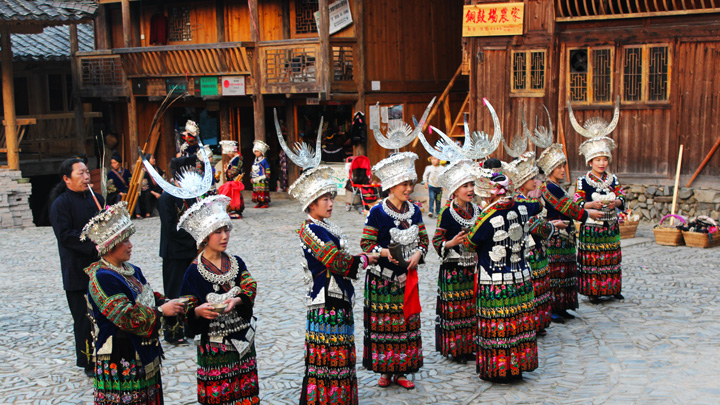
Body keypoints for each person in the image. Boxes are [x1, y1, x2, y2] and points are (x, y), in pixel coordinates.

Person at [82, 201, 186, 402]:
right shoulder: (103, 277)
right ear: (110, 244)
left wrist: (174, 304)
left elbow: (147, 295)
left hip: (143, 353)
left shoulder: (131, 270)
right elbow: (126, 316)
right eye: (125, 241)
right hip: (121, 359)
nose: (130, 245)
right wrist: (162, 311)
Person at [179, 195, 260, 404]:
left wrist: (238, 300)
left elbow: (250, 285)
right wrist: (197, 312)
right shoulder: (193, 272)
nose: (225, 236)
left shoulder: (236, 262)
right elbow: (185, 305)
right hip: (214, 346)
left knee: (246, 393)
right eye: (218, 231)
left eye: (227, 230)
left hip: (242, 341)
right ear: (205, 236)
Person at [464, 165, 540, 382]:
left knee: (499, 325)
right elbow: (538, 205)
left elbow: (470, 243)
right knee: (518, 323)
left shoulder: (488, 217)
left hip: (495, 279)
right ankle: (519, 366)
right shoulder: (523, 208)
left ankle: (499, 370)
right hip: (521, 274)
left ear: (488, 193)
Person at [360, 152, 427, 389]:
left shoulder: (415, 212)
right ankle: (385, 372)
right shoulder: (377, 212)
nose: (409, 189)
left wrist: (419, 253)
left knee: (405, 325)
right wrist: (386, 253)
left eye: (411, 184)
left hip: (407, 278)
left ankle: (401, 371)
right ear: (391, 185)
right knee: (384, 326)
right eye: (404, 184)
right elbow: (366, 245)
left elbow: (424, 241)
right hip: (382, 280)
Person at [49, 157, 105, 378]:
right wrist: (94, 244)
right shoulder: (60, 204)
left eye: (87, 172)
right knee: (84, 318)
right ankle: (88, 360)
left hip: (102, 268)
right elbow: (65, 236)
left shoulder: (97, 198)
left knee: (104, 313)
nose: (86, 177)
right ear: (66, 179)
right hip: (77, 270)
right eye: (80, 173)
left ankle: (106, 354)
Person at [537, 144, 602, 323]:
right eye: (559, 167)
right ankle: (554, 308)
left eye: (563, 166)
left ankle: (563, 306)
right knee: (557, 273)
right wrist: (588, 214)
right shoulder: (550, 188)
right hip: (556, 236)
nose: (563, 170)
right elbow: (568, 208)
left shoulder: (556, 186)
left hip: (565, 236)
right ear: (550, 169)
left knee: (565, 272)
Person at [502, 152, 564, 336]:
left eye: (535, 178)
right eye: (532, 178)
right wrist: (552, 227)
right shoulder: (519, 201)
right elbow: (532, 225)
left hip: (538, 248)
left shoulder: (529, 200)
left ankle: (540, 323)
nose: (536, 182)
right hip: (528, 250)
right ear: (522, 181)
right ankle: (533, 324)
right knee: (534, 288)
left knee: (541, 286)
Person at [431, 160, 479, 362]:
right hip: (452, 269)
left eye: (471, 185)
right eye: (464, 186)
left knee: (470, 308)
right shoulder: (446, 213)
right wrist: (450, 243)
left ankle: (469, 346)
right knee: (454, 310)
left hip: (472, 268)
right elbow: (436, 241)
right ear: (454, 190)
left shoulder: (477, 210)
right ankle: (455, 349)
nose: (469, 190)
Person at [575, 136, 626, 303]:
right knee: (594, 260)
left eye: (604, 159)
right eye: (598, 160)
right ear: (590, 162)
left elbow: (622, 198)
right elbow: (578, 203)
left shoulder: (613, 179)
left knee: (611, 258)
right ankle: (593, 291)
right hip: (592, 226)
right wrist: (592, 205)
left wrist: (615, 203)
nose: (601, 163)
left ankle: (613, 288)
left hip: (610, 224)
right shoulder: (582, 181)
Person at [157, 157, 198, 345]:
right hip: (174, 252)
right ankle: (173, 332)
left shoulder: (191, 194)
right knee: (174, 291)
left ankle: (190, 327)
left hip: (191, 250)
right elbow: (170, 228)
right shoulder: (166, 197)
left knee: (191, 290)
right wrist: (193, 234)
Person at [218, 140, 245, 219]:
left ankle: (236, 212)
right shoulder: (236, 158)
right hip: (233, 181)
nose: (228, 155)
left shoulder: (237, 159)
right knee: (233, 196)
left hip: (235, 181)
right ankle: (234, 211)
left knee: (235, 196)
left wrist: (226, 170)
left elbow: (234, 171)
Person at [138, 154, 164, 218]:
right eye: (152, 158)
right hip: (150, 190)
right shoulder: (144, 171)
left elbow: (164, 180)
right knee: (147, 194)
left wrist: (163, 189)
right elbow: (144, 186)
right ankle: (148, 213)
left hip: (158, 188)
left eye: (154, 158)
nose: (154, 160)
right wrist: (155, 194)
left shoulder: (158, 169)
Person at [251, 140, 271, 208]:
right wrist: (252, 177)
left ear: (261, 152)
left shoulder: (264, 160)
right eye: (255, 151)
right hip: (256, 177)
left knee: (263, 190)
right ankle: (259, 202)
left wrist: (267, 176)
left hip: (262, 177)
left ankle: (265, 202)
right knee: (257, 190)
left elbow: (267, 168)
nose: (256, 153)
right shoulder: (255, 160)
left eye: (257, 151)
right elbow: (253, 169)